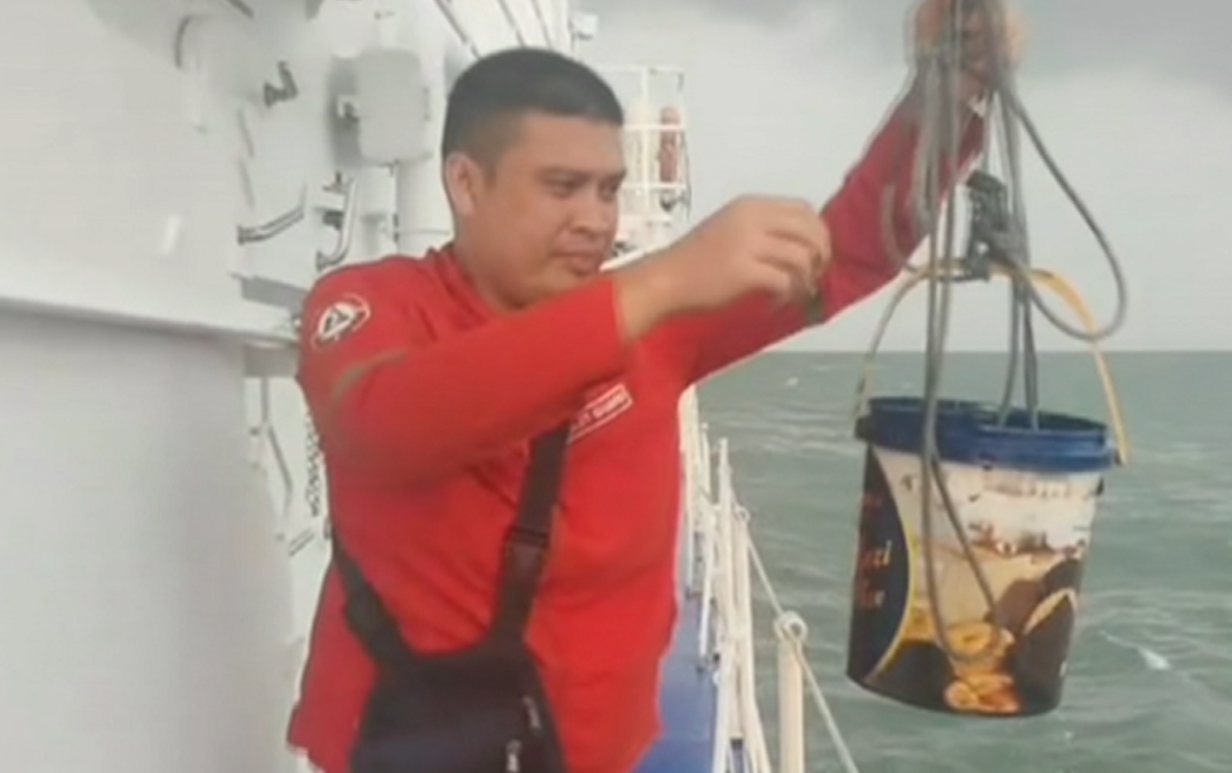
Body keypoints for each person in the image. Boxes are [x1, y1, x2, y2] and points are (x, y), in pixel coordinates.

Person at [286, 2, 1017, 772]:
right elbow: (383, 426)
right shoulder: (370, 301)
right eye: (562, 187)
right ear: (466, 185)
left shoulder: (659, 321)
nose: (595, 220)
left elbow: (853, 248)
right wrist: (665, 276)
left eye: (608, 190)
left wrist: (947, 95)